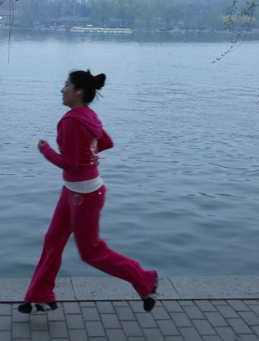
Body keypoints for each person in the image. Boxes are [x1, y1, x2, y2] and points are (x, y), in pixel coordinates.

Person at [18, 69, 158, 315]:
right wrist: (87, 158)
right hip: (75, 189)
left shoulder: (71, 121)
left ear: (78, 91)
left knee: (91, 251)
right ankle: (41, 293)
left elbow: (69, 163)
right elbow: (105, 142)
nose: (62, 90)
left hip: (84, 193)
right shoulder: (88, 116)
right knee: (53, 239)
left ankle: (145, 279)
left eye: (66, 85)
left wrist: (45, 150)